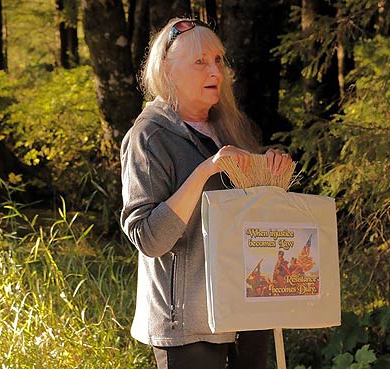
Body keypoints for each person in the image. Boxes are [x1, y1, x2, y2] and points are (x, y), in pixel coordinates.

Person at [120, 18, 292, 369]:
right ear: (167, 71)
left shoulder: (232, 128)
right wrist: (205, 170)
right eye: (200, 61)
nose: (215, 70)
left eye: (218, 60)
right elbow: (149, 239)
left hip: (247, 312)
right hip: (188, 326)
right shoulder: (149, 137)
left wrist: (273, 176)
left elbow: (258, 223)